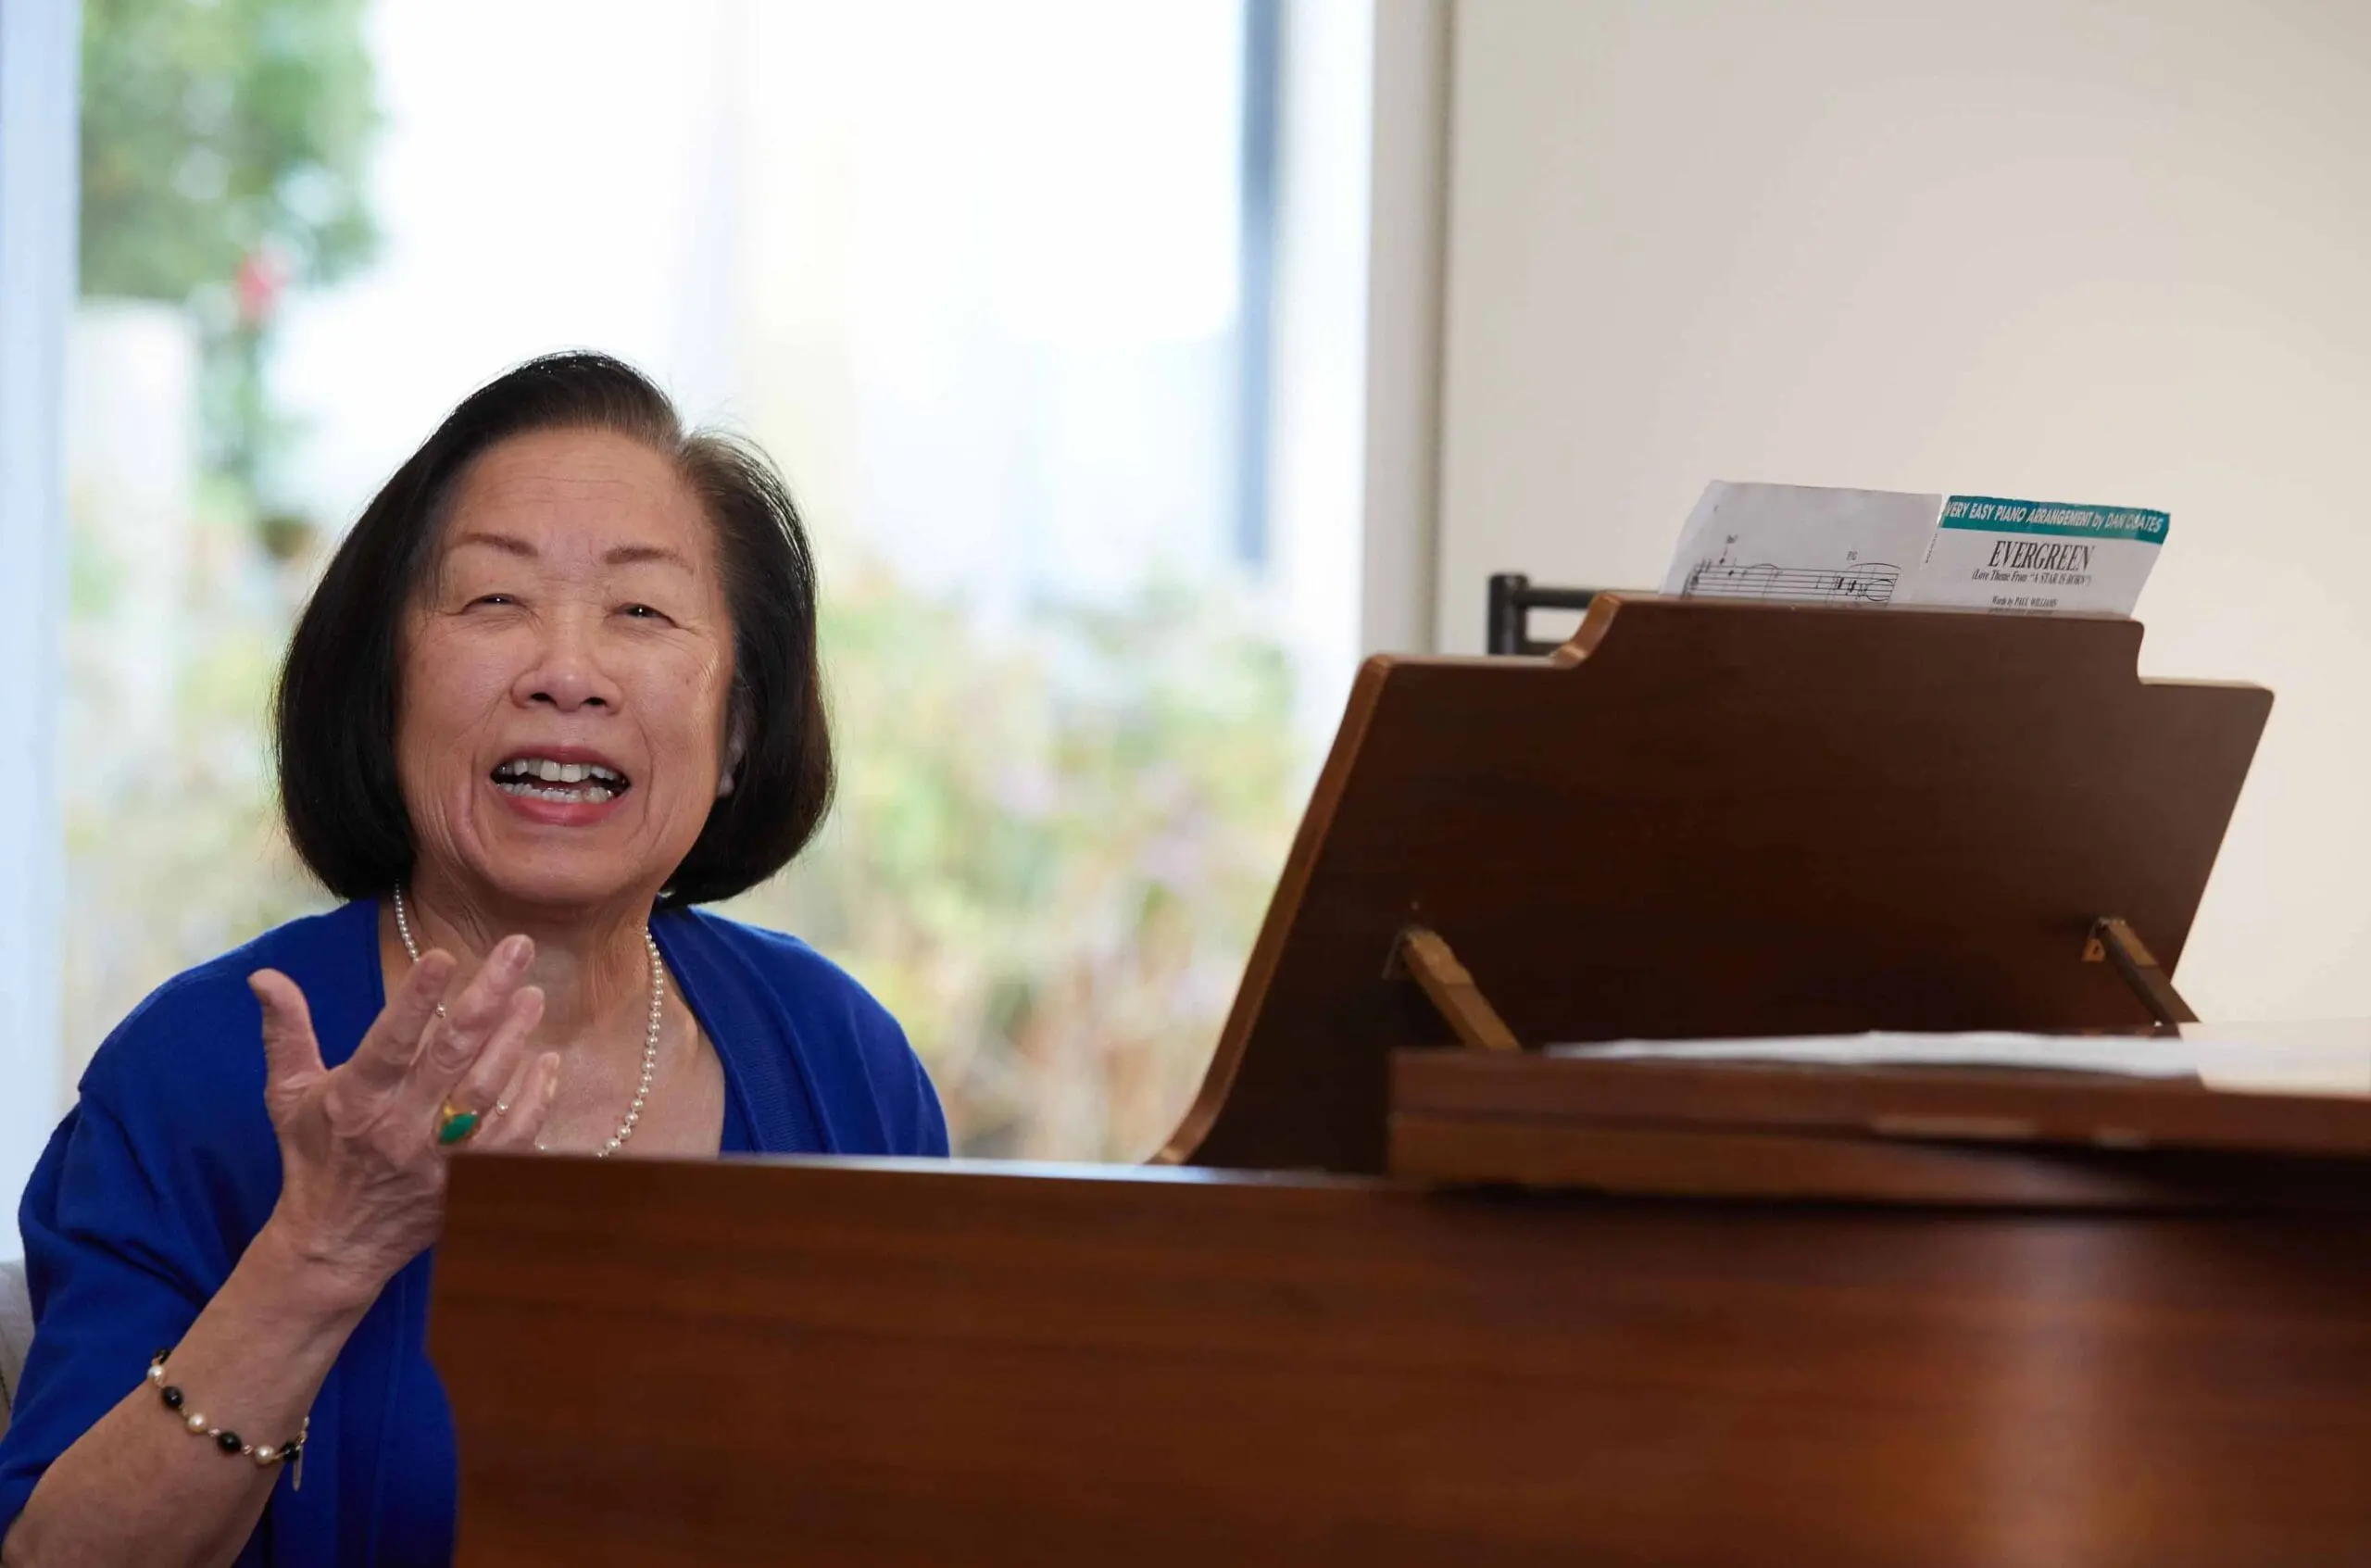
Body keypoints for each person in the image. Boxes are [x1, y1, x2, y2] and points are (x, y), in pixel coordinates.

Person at [0, 352, 948, 1567]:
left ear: (738, 731)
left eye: (642, 611)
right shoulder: (200, 1073)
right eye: (495, 602)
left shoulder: (837, 1058)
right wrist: (323, 1251)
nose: (566, 670)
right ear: (386, 684)